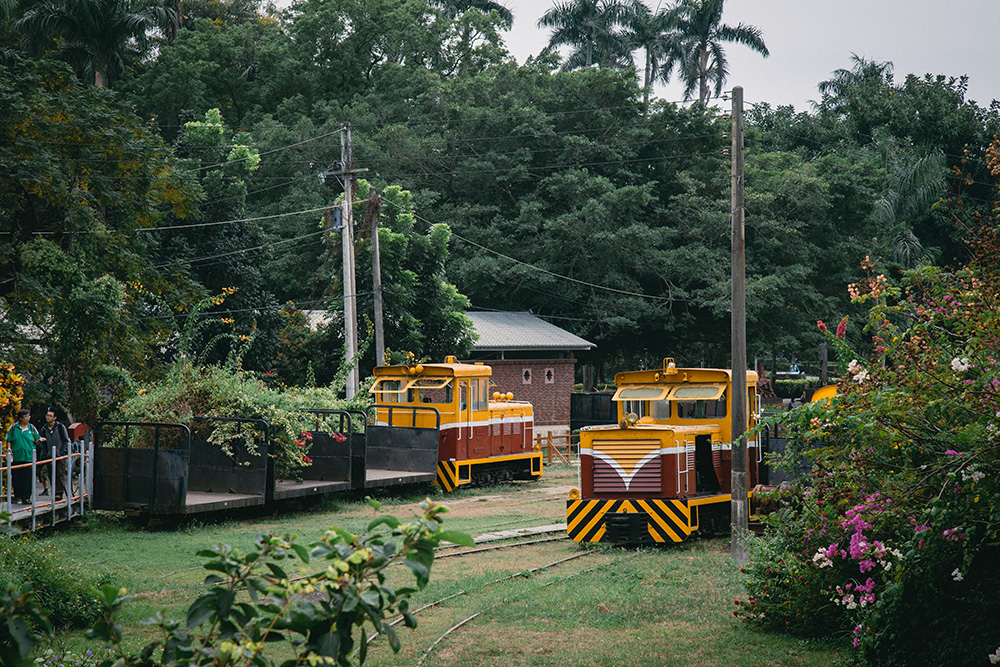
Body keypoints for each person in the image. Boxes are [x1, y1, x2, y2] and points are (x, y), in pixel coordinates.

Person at [5, 408, 41, 504]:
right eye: (26, 416)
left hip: (28, 457)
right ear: (21, 418)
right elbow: (9, 440)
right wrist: (9, 449)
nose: (28, 418)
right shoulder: (13, 428)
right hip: (17, 457)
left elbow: (36, 440)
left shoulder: (32, 428)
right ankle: (17, 496)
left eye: (28, 416)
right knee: (16, 478)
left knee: (28, 478)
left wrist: (40, 440)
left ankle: (26, 497)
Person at [39, 409, 71, 501]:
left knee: (60, 473)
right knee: (51, 473)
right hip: (49, 455)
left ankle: (59, 492)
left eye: (50, 416)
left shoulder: (60, 427)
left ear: (55, 418)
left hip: (59, 455)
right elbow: (43, 443)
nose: (47, 417)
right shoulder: (44, 428)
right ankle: (55, 491)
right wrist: (45, 453)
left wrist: (61, 452)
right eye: (47, 415)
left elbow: (66, 440)